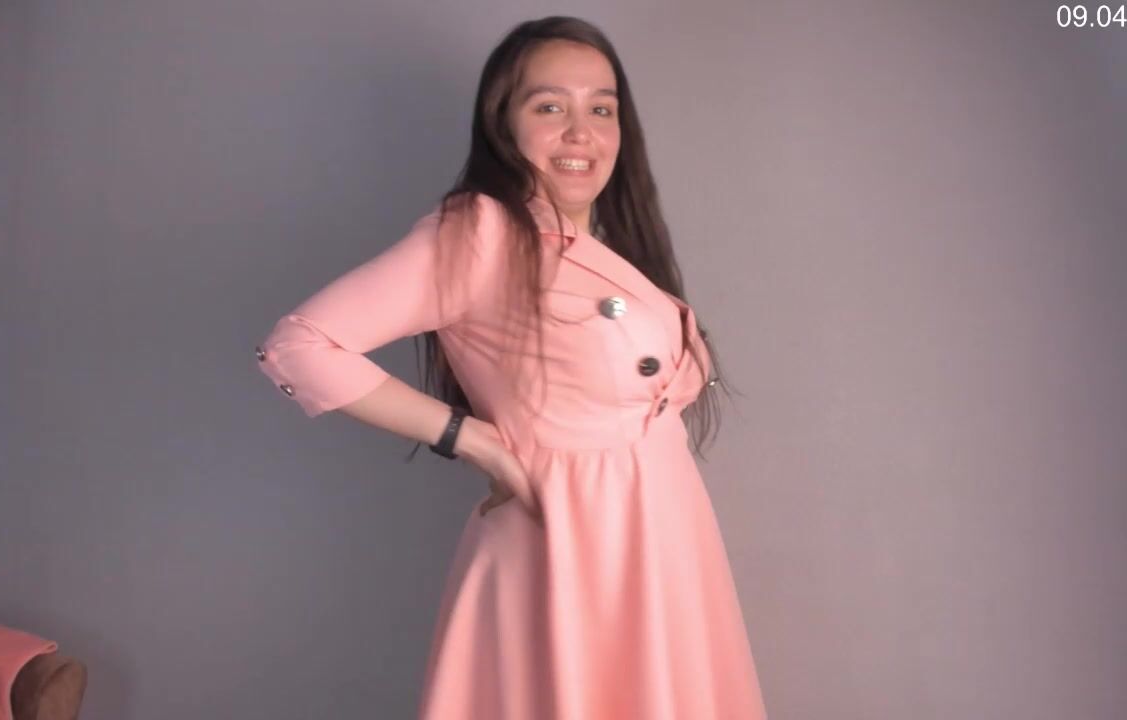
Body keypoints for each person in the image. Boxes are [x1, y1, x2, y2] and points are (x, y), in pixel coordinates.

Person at [256, 15, 767, 720]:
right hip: (566, 547)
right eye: (550, 107)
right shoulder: (482, 232)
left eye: (602, 110)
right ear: (504, 123)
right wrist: (469, 437)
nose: (581, 133)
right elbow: (299, 345)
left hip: (660, 541)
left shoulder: (612, 252)